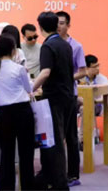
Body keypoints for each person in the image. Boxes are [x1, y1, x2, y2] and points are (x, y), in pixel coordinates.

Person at [31, 11, 74, 190]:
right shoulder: (65, 44)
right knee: (56, 139)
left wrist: (30, 88)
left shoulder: (47, 46)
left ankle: (59, 183)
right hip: (67, 96)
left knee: (53, 141)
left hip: (54, 98)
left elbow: (45, 72)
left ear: (40, 27)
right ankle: (47, 177)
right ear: (57, 25)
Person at [0, 34, 35, 190]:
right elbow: (29, 89)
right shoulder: (19, 69)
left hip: (5, 113)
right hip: (23, 111)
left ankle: (6, 188)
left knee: (6, 154)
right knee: (26, 153)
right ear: (14, 50)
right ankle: (27, 187)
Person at [56, 11, 86, 187]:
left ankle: (73, 175)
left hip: (69, 94)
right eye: (56, 23)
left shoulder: (76, 46)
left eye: (62, 23)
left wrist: (66, 78)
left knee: (71, 135)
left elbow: (82, 71)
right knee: (55, 135)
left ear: (68, 25)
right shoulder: (50, 43)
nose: (59, 26)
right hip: (54, 94)